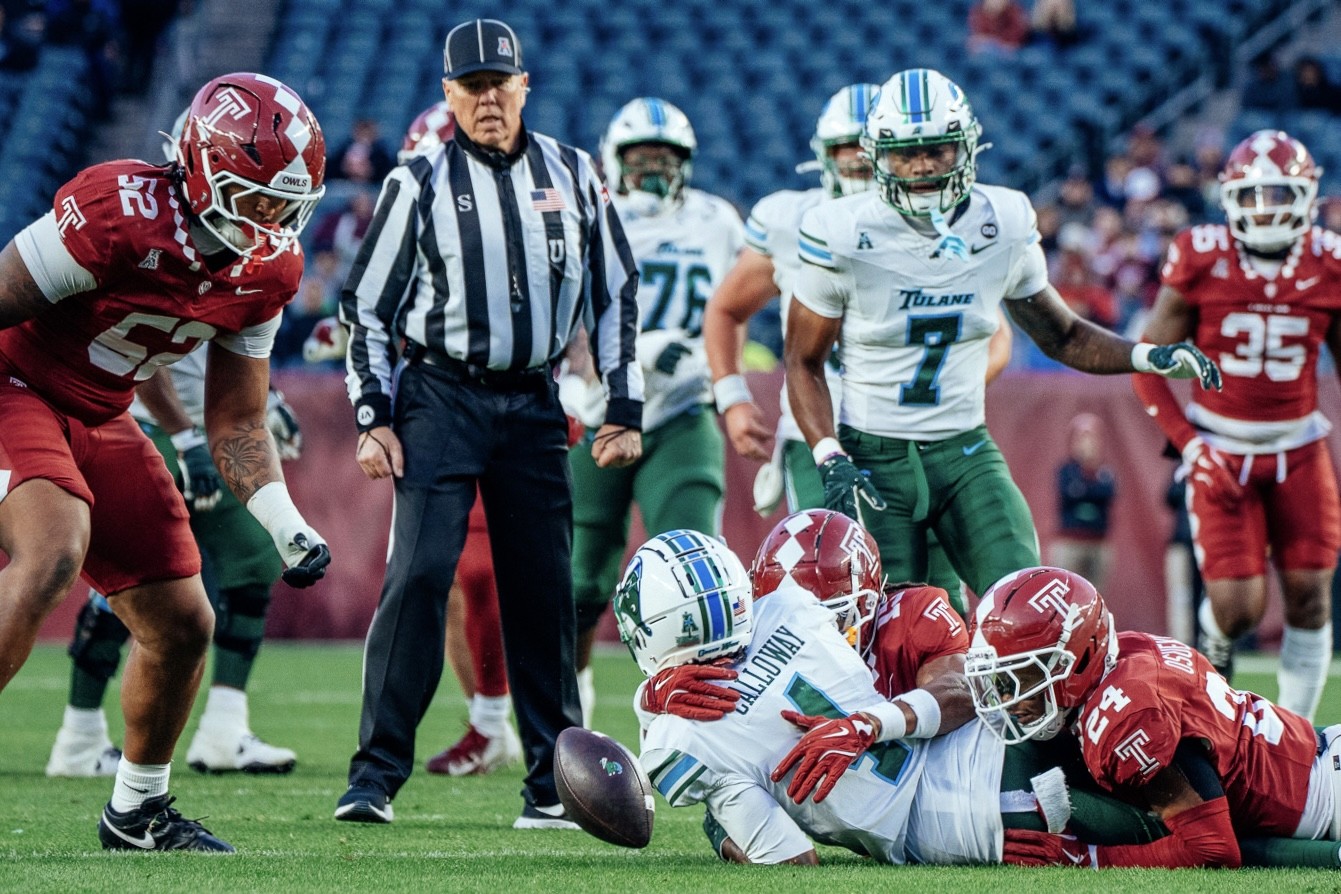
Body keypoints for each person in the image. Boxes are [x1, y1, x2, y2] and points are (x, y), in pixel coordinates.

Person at [0, 72, 331, 852]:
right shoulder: (117, 211)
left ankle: (137, 812)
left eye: (285, 207)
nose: (271, 223)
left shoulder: (270, 269)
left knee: (183, 623)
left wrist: (285, 523)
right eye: (255, 200)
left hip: (104, 411)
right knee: (53, 549)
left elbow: (238, 421)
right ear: (201, 168)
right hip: (15, 385)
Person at [338, 18, 643, 828]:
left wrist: (623, 406)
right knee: (420, 574)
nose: (486, 99)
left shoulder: (573, 173)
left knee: (542, 590)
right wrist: (372, 415)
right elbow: (365, 306)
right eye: (470, 86)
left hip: (535, 398)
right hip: (439, 395)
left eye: (498, 84)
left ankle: (550, 782)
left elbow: (615, 292)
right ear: (449, 94)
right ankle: (374, 776)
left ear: (523, 86)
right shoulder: (417, 180)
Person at [785, 67, 1221, 601]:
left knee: (1027, 603)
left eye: (937, 150)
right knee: (888, 625)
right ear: (877, 157)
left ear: (966, 147)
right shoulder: (841, 232)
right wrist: (829, 453)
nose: (922, 166)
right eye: (905, 154)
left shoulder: (1002, 222)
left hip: (964, 450)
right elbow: (802, 360)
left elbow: (1062, 335)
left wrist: (1148, 356)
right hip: (873, 455)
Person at [617, 530, 1173, 865]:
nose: (844, 623)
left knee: (1183, 823)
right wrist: (650, 698)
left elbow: (790, 860)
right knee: (1182, 792)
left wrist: (868, 725)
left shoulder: (910, 614)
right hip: (992, 754)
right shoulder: (790, 606)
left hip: (974, 799)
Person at [702, 84, 1011, 611]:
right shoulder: (792, 222)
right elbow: (726, 308)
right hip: (822, 436)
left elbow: (997, 337)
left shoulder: (934, 223)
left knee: (936, 601)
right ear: (823, 155)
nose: (855, 162)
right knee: (839, 594)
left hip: (917, 439)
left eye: (865, 151)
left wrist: (938, 393)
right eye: (844, 149)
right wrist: (732, 398)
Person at [1131, 129, 1341, 720]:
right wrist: (1189, 446)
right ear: (1229, 198)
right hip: (1220, 448)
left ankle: (1299, 736)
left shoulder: (1330, 262)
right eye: (1253, 195)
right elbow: (1147, 367)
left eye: (1280, 194)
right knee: (1237, 610)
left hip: (1299, 447)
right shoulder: (1201, 256)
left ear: (1307, 196)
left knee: (1310, 597)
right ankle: (1216, 643)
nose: (1266, 209)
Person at [45, 342, 307, 777]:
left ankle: (224, 728)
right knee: (128, 580)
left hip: (221, 431)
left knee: (254, 560)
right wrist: (185, 435)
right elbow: (142, 343)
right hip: (144, 427)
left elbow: (238, 345)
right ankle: (79, 736)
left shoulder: (258, 295)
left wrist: (269, 398)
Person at [966, 566, 1341, 868]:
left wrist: (1086, 857)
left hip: (1327, 797)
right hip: (1316, 757)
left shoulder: (1127, 719)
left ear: (1076, 660)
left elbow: (1212, 850)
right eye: (1000, 680)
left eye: (1020, 676)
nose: (1006, 698)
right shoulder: (1126, 654)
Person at [566, 96, 743, 720]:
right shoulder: (587, 217)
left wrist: (713, 368)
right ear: (614, 161)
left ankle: (706, 716)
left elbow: (738, 309)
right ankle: (571, 706)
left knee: (696, 573)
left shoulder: (718, 222)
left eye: (666, 158)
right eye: (640, 158)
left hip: (682, 412)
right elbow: (564, 324)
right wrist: (619, 358)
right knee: (579, 581)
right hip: (598, 413)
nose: (653, 170)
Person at [1047, 413, 1116, 589]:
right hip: (1070, 543)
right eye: (1083, 439)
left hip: (1098, 543)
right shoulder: (1065, 470)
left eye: (1091, 438)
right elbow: (1068, 493)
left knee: (1095, 594)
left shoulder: (1105, 472)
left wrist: (1083, 489)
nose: (1087, 444)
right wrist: (1092, 490)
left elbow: (1107, 494)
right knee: (1065, 593)